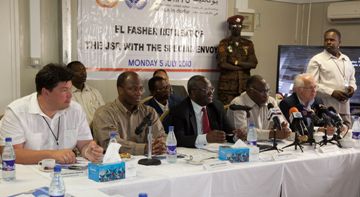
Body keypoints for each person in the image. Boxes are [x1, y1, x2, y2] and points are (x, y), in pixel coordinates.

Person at [0, 63, 103, 164]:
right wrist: (51, 155)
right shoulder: (16, 112)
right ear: (46, 92)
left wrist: (89, 151)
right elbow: (12, 153)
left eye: (70, 89)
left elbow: (85, 144)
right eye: (64, 90)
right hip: (27, 176)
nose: (70, 95)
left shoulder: (75, 110)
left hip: (65, 175)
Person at [92, 71, 166, 155]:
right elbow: (110, 144)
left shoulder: (149, 112)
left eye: (141, 88)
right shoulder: (104, 113)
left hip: (146, 163)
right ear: (120, 90)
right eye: (133, 89)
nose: (139, 93)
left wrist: (160, 145)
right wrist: (145, 148)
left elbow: (161, 136)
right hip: (115, 164)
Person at [169, 75, 237, 148]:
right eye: (206, 90)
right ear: (193, 93)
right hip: (192, 153)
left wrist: (236, 137)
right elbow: (179, 139)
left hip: (214, 151)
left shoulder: (216, 106)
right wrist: (205, 138)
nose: (211, 93)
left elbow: (228, 133)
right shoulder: (180, 110)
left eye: (211, 89)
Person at [307, 28, 356, 125]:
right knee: (328, 138)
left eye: (332, 40)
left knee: (346, 137)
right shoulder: (317, 60)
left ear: (339, 42)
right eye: (326, 40)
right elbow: (311, 84)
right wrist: (331, 92)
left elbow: (352, 79)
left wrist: (352, 87)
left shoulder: (346, 59)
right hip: (326, 111)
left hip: (345, 109)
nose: (329, 42)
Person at [280, 73, 348, 135]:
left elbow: (322, 121)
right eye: (310, 88)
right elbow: (293, 128)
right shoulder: (287, 104)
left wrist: (334, 126)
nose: (314, 91)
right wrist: (318, 129)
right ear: (299, 90)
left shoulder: (318, 101)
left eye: (315, 87)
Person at [227, 75, 291, 141]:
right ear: (250, 91)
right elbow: (243, 132)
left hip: (266, 144)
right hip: (241, 146)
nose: (266, 95)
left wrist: (284, 129)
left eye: (268, 91)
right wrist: (271, 134)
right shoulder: (238, 104)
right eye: (262, 92)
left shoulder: (270, 102)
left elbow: (282, 121)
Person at [217, 15, 258, 105]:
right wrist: (242, 67)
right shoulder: (224, 43)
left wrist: (236, 62)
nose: (237, 29)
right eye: (234, 26)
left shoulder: (248, 44)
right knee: (227, 114)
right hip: (227, 89)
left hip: (244, 87)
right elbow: (222, 64)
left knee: (244, 113)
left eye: (239, 26)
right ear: (230, 27)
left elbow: (253, 63)